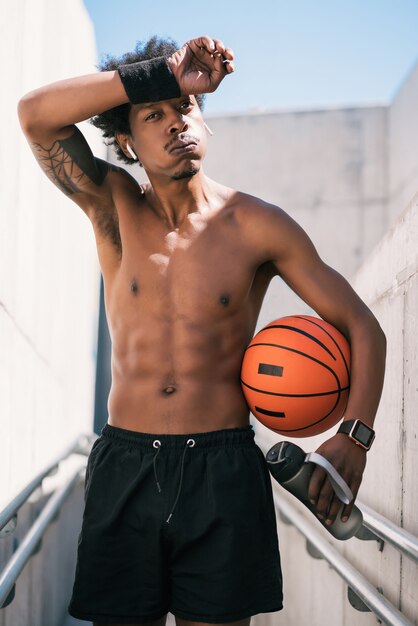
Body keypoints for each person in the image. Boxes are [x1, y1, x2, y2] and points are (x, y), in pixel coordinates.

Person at [18, 35, 386, 626]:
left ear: (204, 119)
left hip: (223, 469)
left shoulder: (258, 225)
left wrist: (356, 437)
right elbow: (34, 116)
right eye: (153, 114)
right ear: (126, 143)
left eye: (184, 107)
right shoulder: (113, 206)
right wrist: (162, 73)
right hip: (125, 464)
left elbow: (362, 326)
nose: (175, 123)